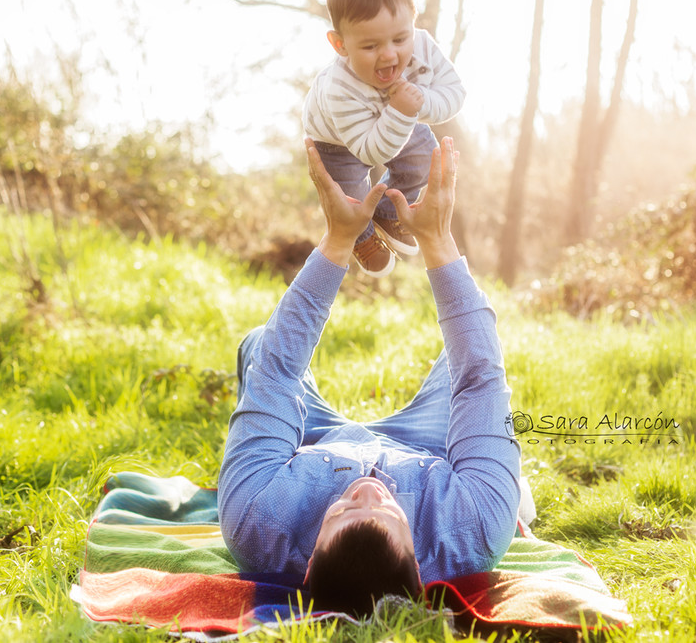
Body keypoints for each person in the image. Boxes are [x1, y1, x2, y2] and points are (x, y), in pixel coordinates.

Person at [217, 136, 521, 618]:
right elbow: (480, 379)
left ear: (309, 558)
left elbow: (275, 372)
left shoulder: (259, 523)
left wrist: (338, 241)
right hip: (429, 452)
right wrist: (437, 242)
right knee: (476, 356)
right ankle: (504, 475)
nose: (364, 490)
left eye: (341, 511)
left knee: (260, 346)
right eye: (384, 511)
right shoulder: (473, 528)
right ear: (421, 564)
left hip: (312, 447)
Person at [302, 0, 466, 278]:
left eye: (400, 39)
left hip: (399, 115)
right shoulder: (339, 88)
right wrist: (403, 110)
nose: (389, 54)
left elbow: (454, 92)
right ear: (340, 44)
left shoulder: (423, 47)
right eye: (370, 45)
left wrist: (416, 105)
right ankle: (362, 236)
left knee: (421, 159)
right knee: (349, 197)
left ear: (413, 24)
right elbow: (371, 151)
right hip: (336, 141)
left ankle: (388, 212)